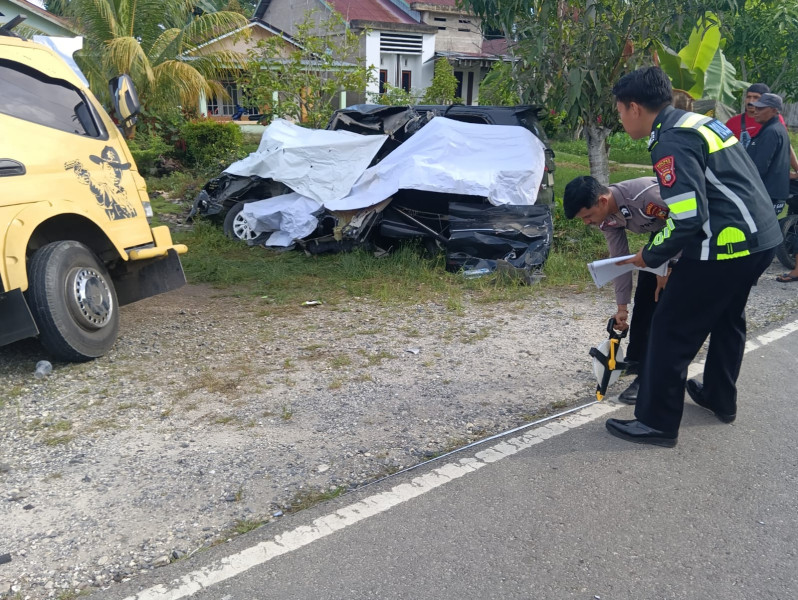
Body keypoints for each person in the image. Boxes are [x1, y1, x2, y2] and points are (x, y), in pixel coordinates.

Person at [604, 66, 782, 447]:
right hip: (761, 238)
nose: (620, 120)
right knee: (728, 317)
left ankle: (657, 423)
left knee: (670, 327)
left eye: (619, 111)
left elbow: (687, 218)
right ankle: (720, 396)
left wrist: (650, 254)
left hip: (725, 245)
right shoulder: (697, 122)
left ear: (634, 107)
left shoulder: (671, 140)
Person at [563, 176, 675, 403]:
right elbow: (620, 262)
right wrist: (621, 308)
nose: (586, 222)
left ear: (603, 201)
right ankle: (637, 358)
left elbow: (687, 221)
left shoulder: (647, 197)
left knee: (664, 304)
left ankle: (651, 377)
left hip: (692, 231)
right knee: (645, 293)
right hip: (664, 233)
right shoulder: (606, 218)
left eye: (587, 216)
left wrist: (669, 266)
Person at [726, 83, 798, 178]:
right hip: (740, 171)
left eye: (756, 97)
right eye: (748, 97)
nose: (750, 101)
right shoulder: (732, 122)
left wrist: (796, 168)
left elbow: (785, 146)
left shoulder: (774, 120)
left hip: (765, 172)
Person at [746, 93, 791, 218]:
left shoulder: (771, 132)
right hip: (772, 194)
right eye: (756, 108)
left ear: (774, 110)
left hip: (766, 195)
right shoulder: (775, 129)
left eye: (760, 109)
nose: (756, 111)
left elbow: (759, 167)